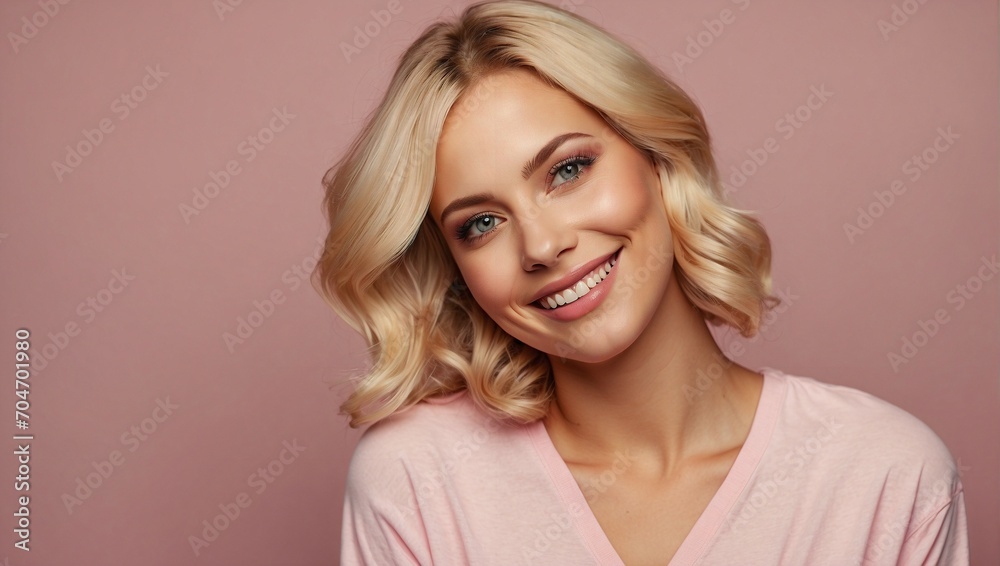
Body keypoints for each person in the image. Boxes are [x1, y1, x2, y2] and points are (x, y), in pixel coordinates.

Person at [314, 1, 969, 564]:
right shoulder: (418, 480)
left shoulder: (884, 476)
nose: (542, 246)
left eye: (567, 171)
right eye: (481, 223)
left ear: (656, 156)